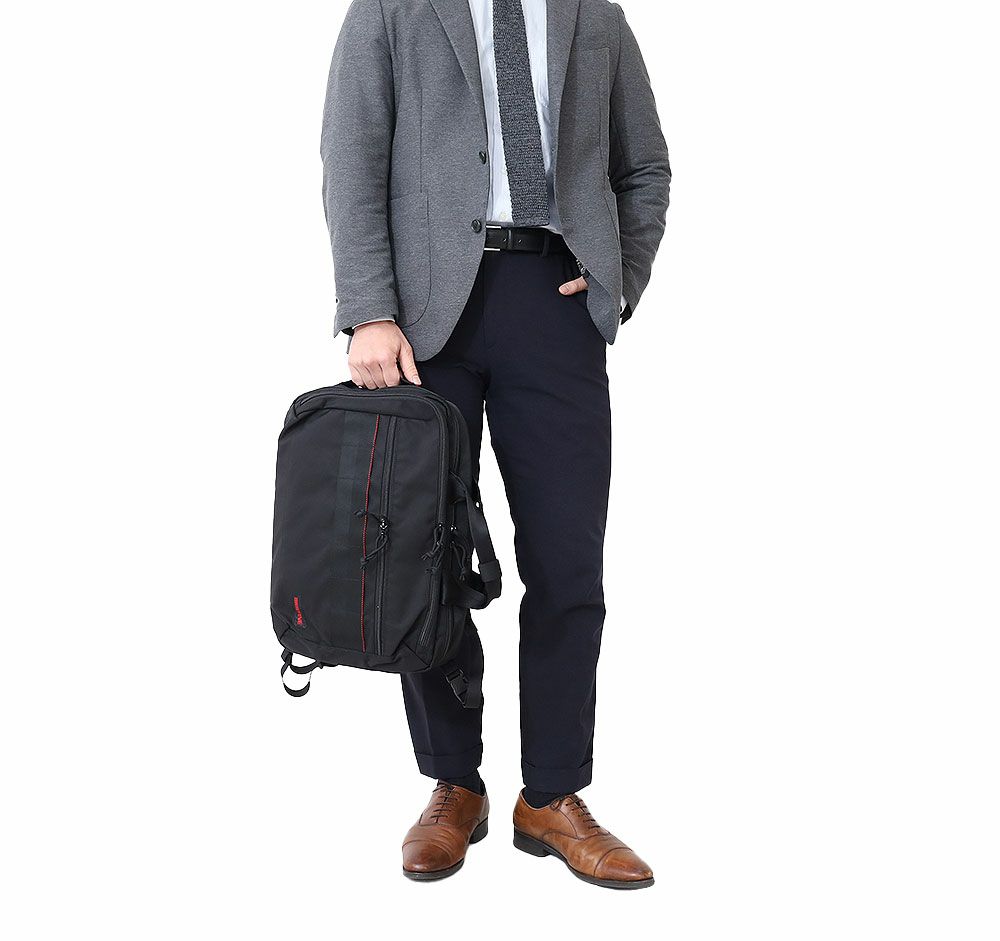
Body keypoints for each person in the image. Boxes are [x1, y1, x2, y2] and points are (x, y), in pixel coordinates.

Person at [321, 0, 669, 888]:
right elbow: (351, 156)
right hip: (424, 321)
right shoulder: (391, 9)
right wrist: (368, 309)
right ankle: (454, 784)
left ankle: (552, 794)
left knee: (567, 560)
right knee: (423, 561)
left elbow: (645, 165)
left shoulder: (594, 12)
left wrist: (619, 276)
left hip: (556, 305)